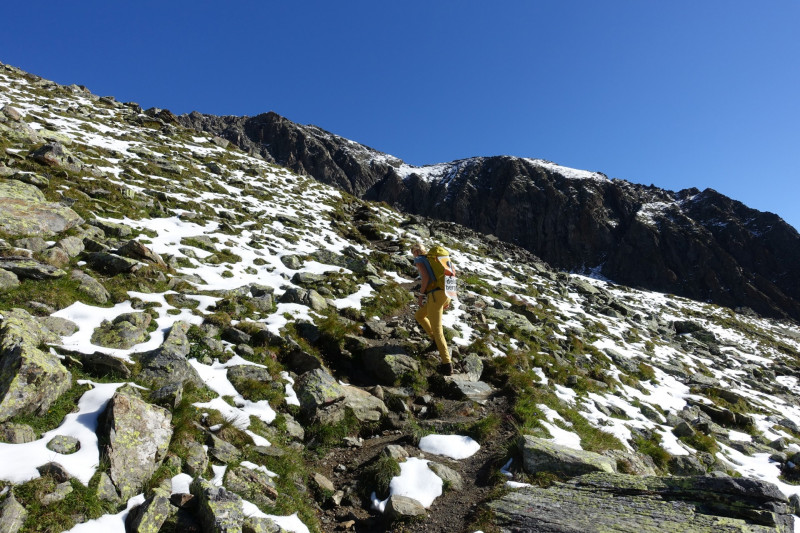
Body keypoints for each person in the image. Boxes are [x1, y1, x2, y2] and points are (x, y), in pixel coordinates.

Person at [411, 243, 453, 375]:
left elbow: (426, 278)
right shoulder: (436, 258)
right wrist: (449, 298)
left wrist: (421, 295)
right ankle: (434, 340)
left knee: (438, 330)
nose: (413, 254)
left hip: (434, 295)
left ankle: (447, 364)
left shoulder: (419, 260)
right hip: (444, 293)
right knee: (419, 315)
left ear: (417, 251)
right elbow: (450, 275)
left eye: (412, 251)